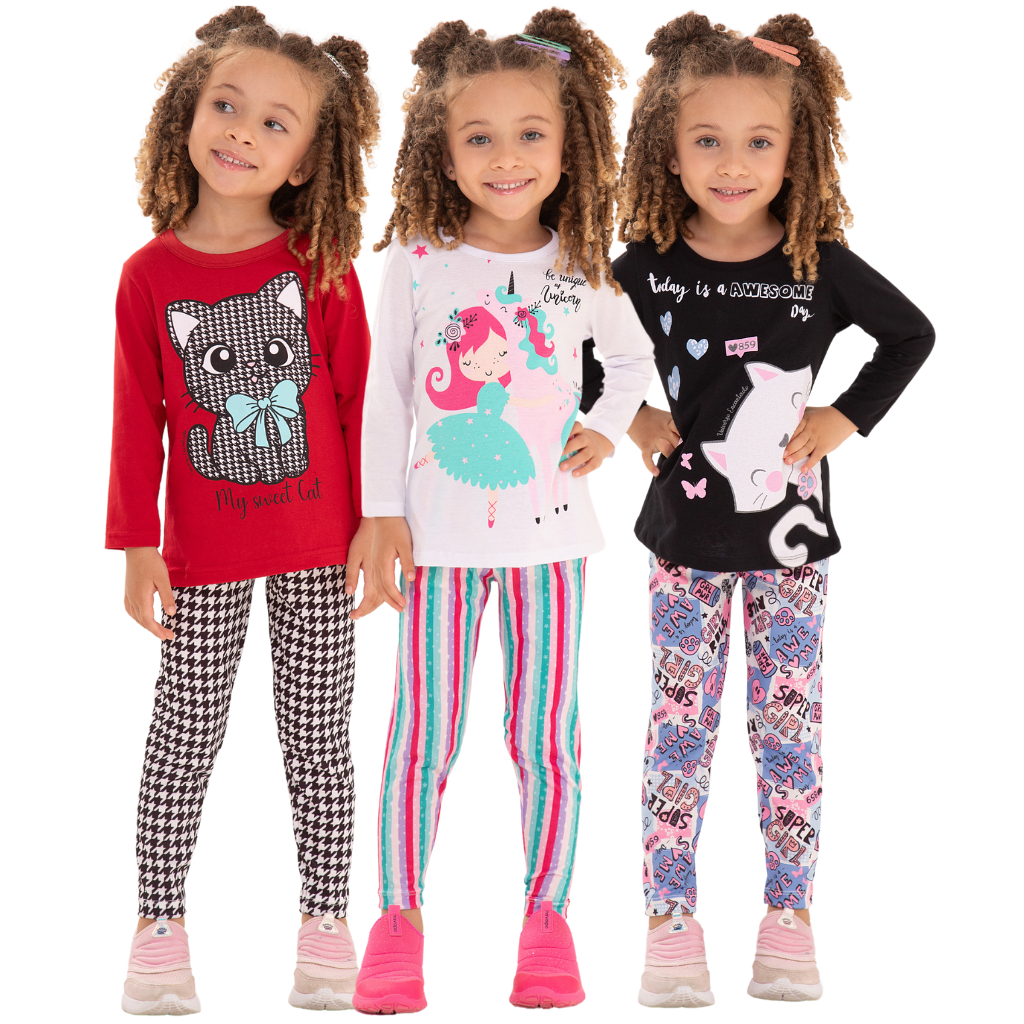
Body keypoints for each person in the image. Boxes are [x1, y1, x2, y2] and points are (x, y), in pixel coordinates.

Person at [606, 12, 934, 1006]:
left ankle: (787, 918)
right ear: (668, 148)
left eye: (760, 141)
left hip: (791, 548)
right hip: (682, 543)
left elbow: (911, 335)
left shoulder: (816, 260)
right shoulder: (645, 264)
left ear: (797, 151)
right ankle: (669, 921)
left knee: (786, 729)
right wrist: (631, 416)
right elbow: (571, 345)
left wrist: (845, 416)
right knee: (679, 730)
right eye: (707, 140)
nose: (733, 163)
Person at [353, 9, 654, 1011]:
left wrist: (605, 428)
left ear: (570, 146)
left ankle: (547, 921)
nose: (506, 157)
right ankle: (397, 921)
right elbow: (388, 394)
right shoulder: (419, 259)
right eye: (478, 137)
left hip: (552, 546)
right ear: (442, 150)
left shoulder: (583, 265)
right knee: (422, 737)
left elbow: (631, 361)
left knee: (545, 741)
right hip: (435, 544)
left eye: (531, 133)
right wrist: (381, 513)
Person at [104, 6, 378, 1013]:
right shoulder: (148, 277)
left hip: (319, 546)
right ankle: (158, 923)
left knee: (317, 737)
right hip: (202, 553)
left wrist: (376, 522)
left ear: (307, 159)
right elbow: (136, 417)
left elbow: (360, 403)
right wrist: (136, 544)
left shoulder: (321, 266)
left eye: (275, 123)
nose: (242, 133)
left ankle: (325, 919)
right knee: (184, 731)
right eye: (226, 106)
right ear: (187, 109)